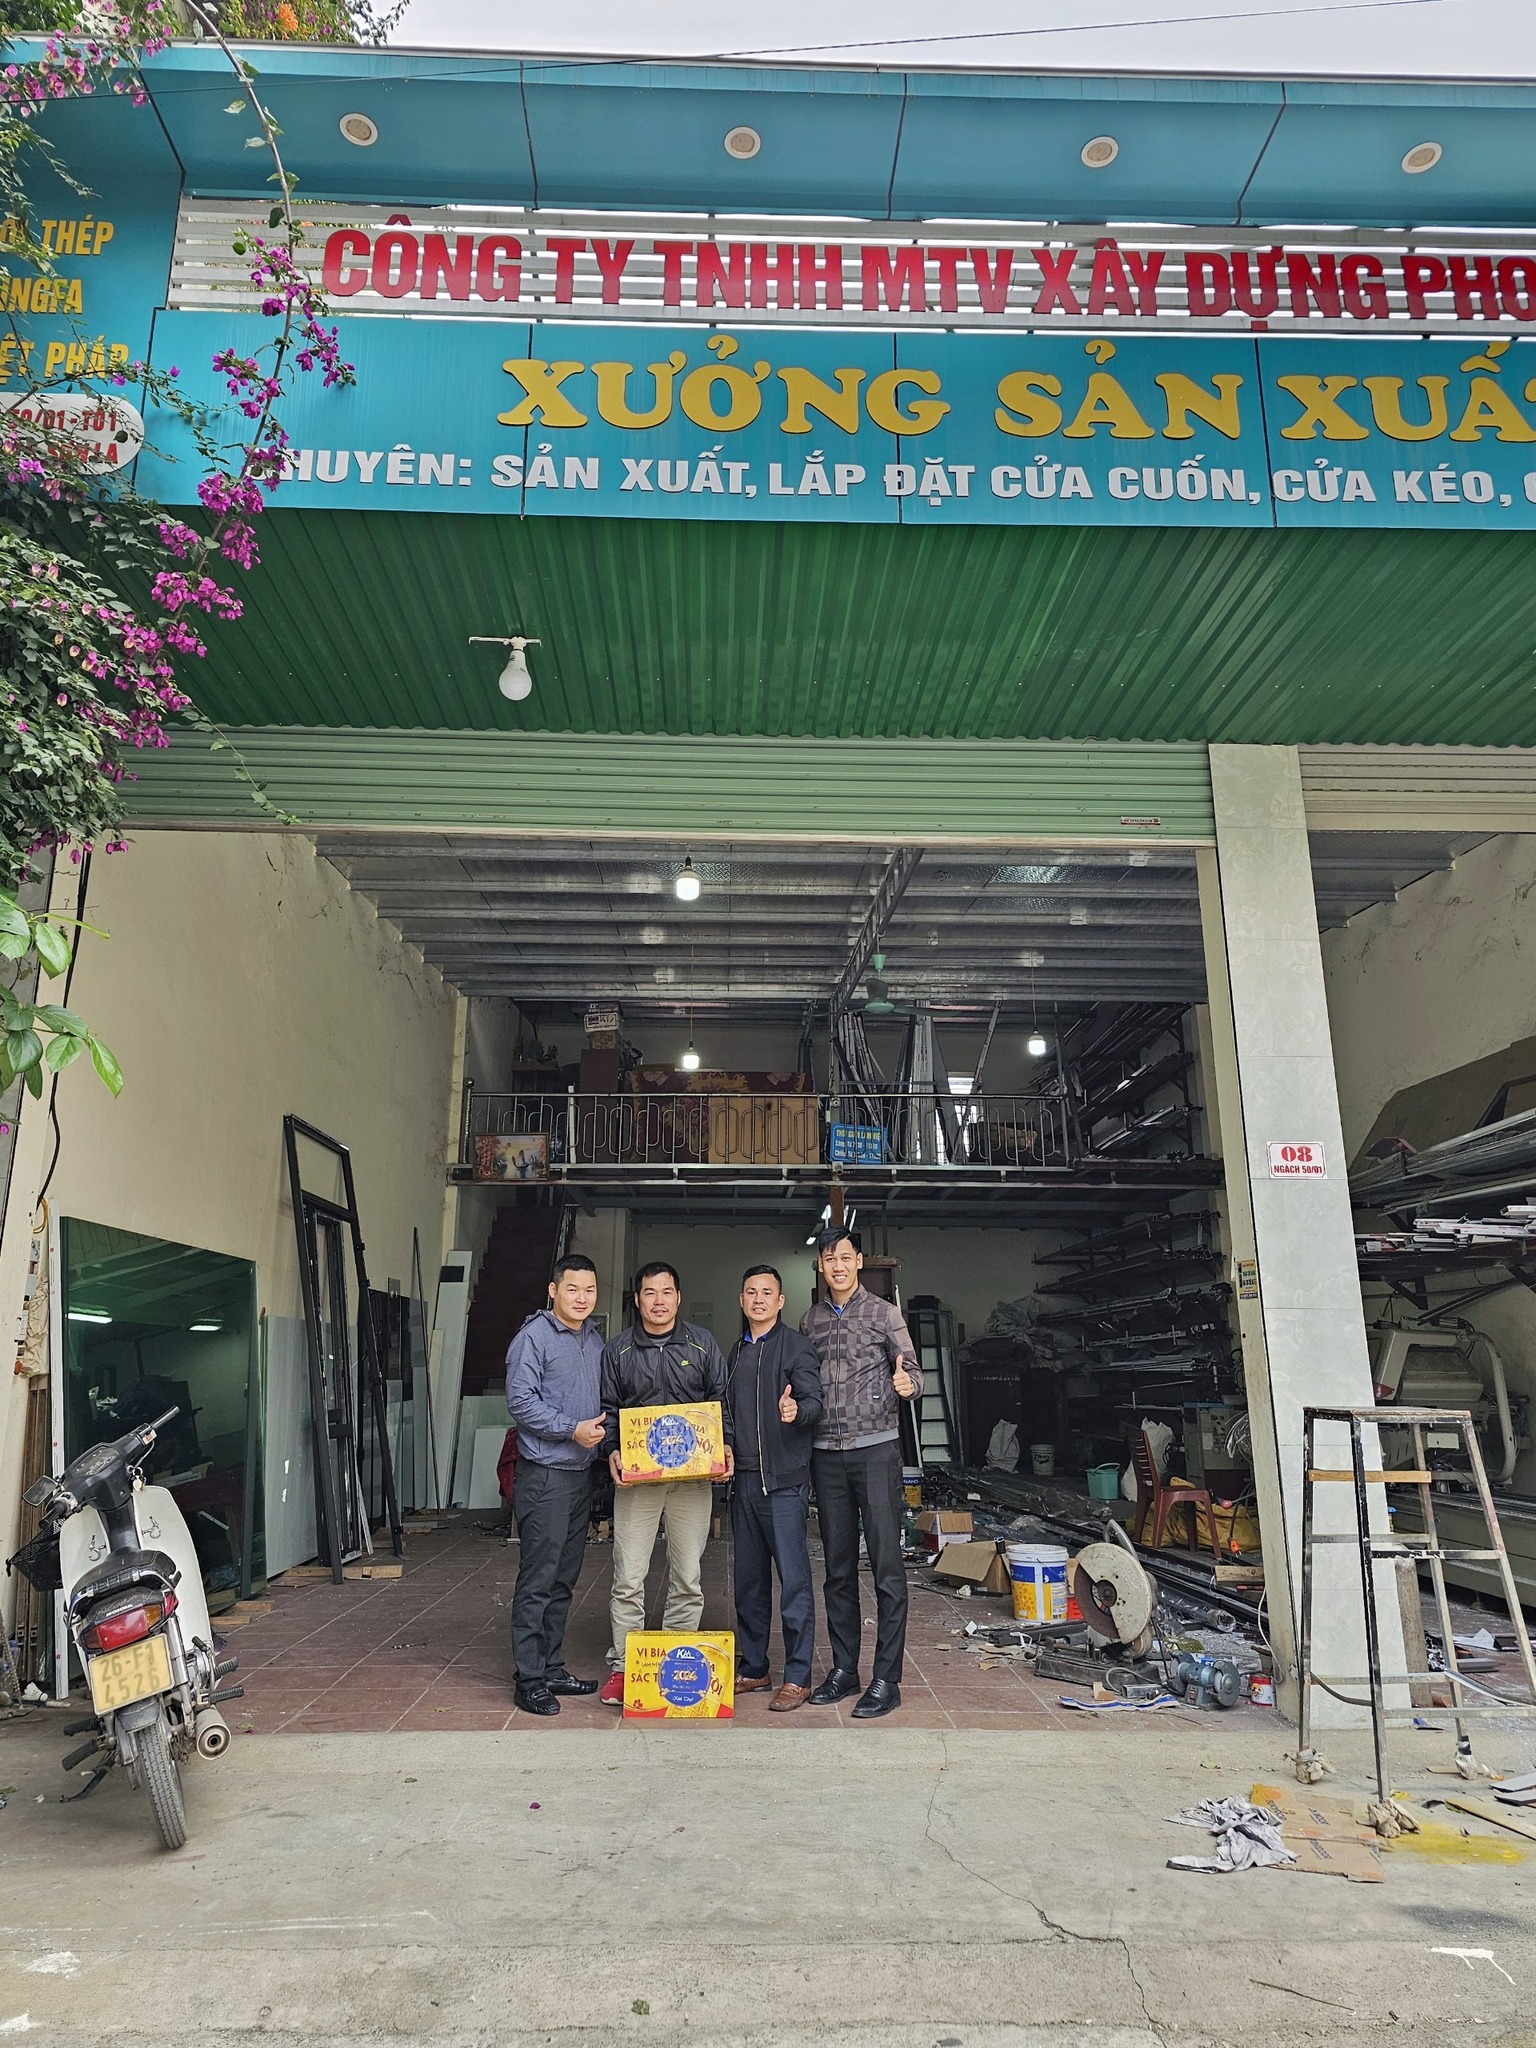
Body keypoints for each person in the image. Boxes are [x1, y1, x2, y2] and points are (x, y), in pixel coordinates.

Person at [800, 1227, 922, 1720]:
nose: (838, 1266)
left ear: (859, 1261)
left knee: (887, 1567)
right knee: (837, 1570)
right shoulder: (809, 1320)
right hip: (826, 1455)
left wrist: (908, 1384)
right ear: (821, 1266)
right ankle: (844, 1670)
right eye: (829, 1259)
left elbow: (914, 1372)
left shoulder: (885, 1313)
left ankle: (886, 1679)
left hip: (875, 1452)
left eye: (845, 1258)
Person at [598, 1262, 733, 1707]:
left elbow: (721, 1403)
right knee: (628, 1577)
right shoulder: (617, 1350)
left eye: (667, 1292)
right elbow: (607, 1408)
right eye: (650, 1293)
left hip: (692, 1481)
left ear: (678, 1297)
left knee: (688, 1576)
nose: (659, 1301)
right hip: (637, 1481)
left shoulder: (702, 1344)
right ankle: (624, 1668)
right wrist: (612, 1450)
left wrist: (726, 1447)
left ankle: (677, 1661)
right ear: (637, 1300)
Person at [503, 1252, 609, 1716]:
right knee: (539, 1578)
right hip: (545, 1476)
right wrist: (571, 1430)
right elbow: (520, 1401)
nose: (581, 1298)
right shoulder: (534, 1338)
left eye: (589, 1290)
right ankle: (529, 1679)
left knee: (564, 1578)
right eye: (573, 1289)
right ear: (553, 1290)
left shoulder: (594, 1339)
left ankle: (551, 1666)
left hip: (580, 1475)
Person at [727, 1264, 824, 1712]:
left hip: (783, 1484)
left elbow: (814, 1402)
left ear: (781, 1301)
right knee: (748, 1584)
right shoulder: (735, 1352)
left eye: (767, 1292)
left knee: (794, 1584)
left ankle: (799, 1676)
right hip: (743, 1483)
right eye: (751, 1292)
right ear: (742, 1300)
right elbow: (726, 1411)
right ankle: (754, 1667)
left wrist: (795, 1412)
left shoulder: (796, 1346)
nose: (759, 1299)